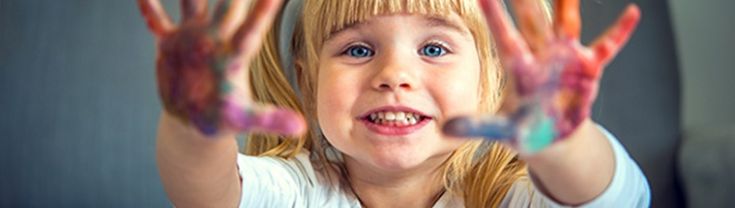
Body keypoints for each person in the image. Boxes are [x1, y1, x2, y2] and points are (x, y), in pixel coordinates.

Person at [138, 0, 650, 207]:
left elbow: (611, 198)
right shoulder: (295, 192)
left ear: (491, 81)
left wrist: (559, 143)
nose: (394, 76)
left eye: (434, 49)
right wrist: (192, 123)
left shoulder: (509, 199)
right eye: (358, 50)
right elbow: (205, 193)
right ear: (307, 80)